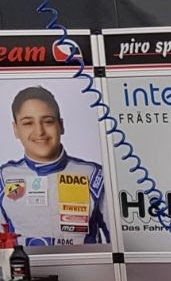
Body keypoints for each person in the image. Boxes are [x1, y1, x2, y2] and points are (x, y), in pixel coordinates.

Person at [1, 85, 108, 246]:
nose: (39, 131)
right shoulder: (3, 179)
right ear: (16, 129)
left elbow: (120, 243)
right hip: (24, 263)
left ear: (61, 125)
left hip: (84, 263)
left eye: (48, 121)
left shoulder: (94, 175)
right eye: (28, 123)